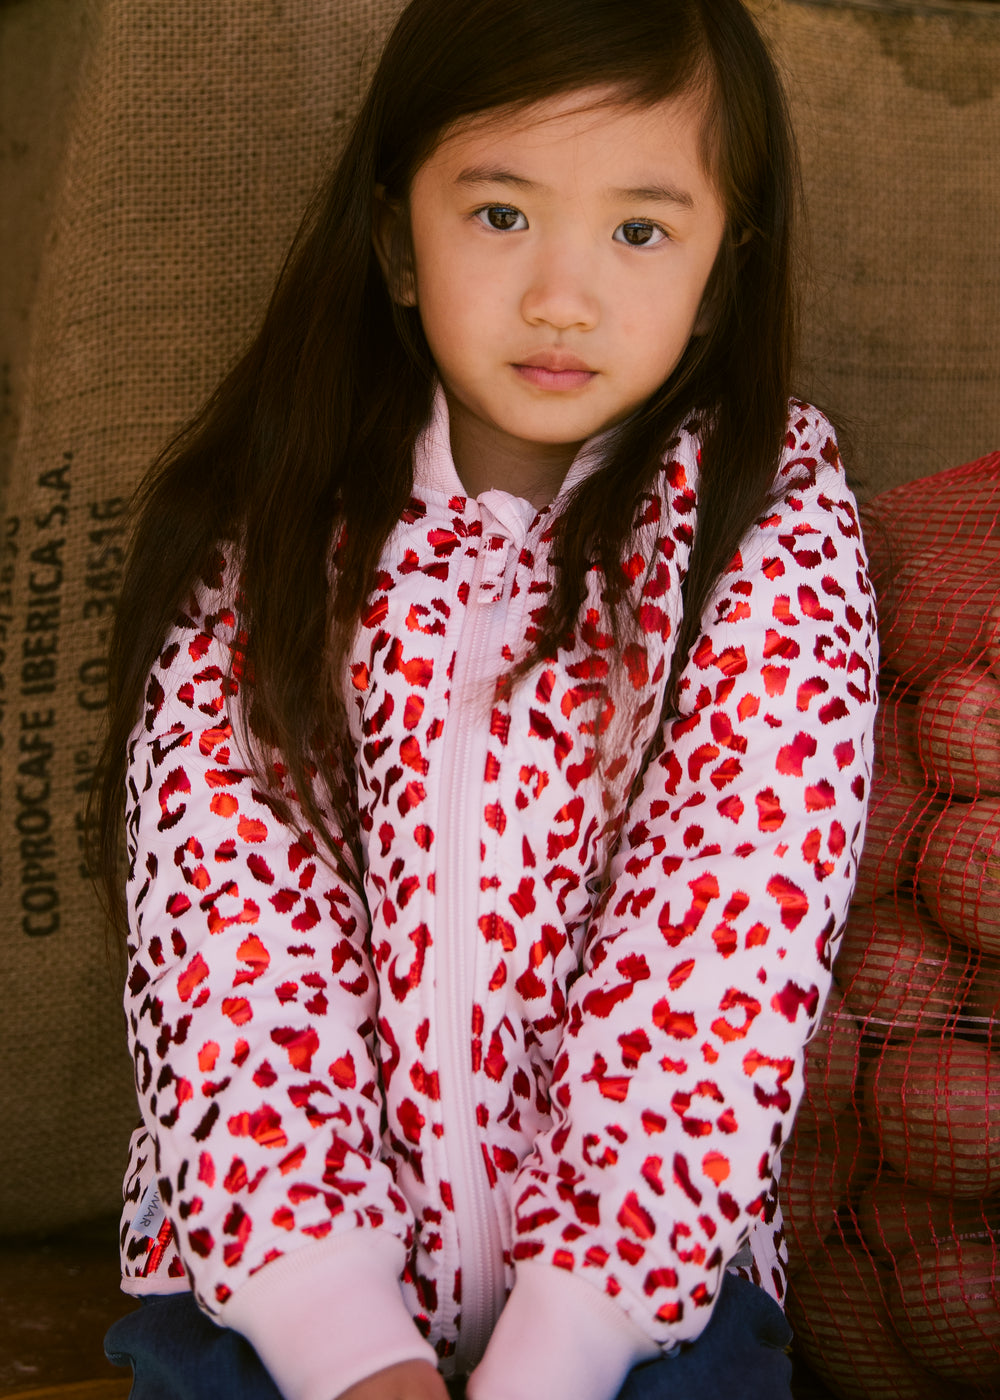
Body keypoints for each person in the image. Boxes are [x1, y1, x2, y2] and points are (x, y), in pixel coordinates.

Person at [96, 1, 878, 1396]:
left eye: (640, 231)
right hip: (272, 1292)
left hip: (644, 1305)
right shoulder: (273, 530)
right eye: (502, 214)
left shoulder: (764, 526)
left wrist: (564, 1344)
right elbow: (227, 940)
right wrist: (343, 1339)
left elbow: (727, 942)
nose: (562, 296)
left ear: (723, 267)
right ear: (399, 240)